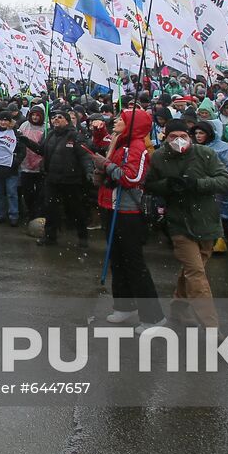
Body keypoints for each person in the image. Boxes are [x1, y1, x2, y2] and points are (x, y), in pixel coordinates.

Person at [146, 120, 227, 329]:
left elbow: (226, 181)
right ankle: (211, 327)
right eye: (173, 137)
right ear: (165, 136)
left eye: (182, 135)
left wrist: (197, 184)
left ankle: (177, 312)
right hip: (179, 222)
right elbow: (150, 185)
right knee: (196, 274)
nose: (178, 140)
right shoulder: (159, 157)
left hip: (206, 220)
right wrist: (168, 185)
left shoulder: (205, 154)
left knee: (192, 270)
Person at [92, 107, 163, 327]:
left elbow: (131, 178)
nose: (115, 122)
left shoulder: (137, 147)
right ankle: (124, 306)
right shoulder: (119, 142)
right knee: (118, 261)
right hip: (111, 207)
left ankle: (153, 316)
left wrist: (106, 165)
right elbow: (104, 143)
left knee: (134, 264)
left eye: (120, 120)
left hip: (127, 213)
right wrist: (98, 132)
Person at [191, 121, 228, 264]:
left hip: (218, 189)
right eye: (196, 133)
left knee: (225, 220)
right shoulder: (192, 147)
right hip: (199, 188)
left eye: (201, 133)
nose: (198, 136)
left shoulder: (222, 147)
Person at [39, 110, 91, 246]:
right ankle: (50, 237)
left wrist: (89, 171)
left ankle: (83, 237)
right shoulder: (50, 135)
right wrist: (25, 140)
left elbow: (84, 155)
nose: (55, 119)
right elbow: (41, 150)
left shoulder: (75, 136)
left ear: (67, 121)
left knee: (76, 209)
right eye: (53, 117)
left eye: (60, 117)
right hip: (52, 179)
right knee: (51, 209)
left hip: (70, 180)